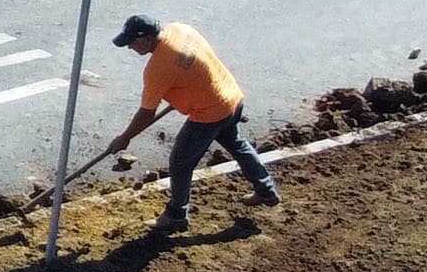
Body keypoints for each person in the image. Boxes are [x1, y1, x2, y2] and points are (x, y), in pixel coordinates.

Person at [82, 14, 284, 238]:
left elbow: (147, 113)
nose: (130, 47)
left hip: (210, 113)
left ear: (147, 39)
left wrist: (125, 137)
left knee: (180, 161)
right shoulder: (180, 30)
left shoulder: (158, 68)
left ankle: (176, 215)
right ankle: (266, 190)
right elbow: (195, 64)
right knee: (237, 144)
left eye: (132, 42)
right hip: (231, 97)